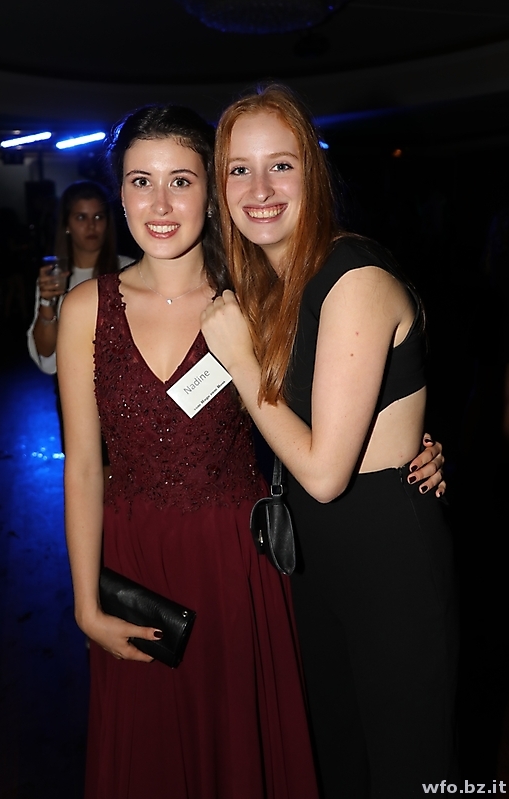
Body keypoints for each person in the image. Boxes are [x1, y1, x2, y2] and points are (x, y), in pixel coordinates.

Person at [56, 105, 324, 799]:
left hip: (235, 564)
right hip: (134, 560)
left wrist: (418, 446)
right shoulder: (86, 309)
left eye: (181, 180)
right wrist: (84, 604)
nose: (160, 203)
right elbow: (82, 466)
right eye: (140, 181)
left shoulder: (255, 301)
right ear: (119, 194)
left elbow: (325, 425)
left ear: (211, 191)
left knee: (237, 750)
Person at [201, 84, 457, 798]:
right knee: (338, 766)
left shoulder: (354, 277)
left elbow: (322, 473)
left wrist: (241, 362)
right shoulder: (266, 288)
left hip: (384, 554)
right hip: (312, 557)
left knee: (409, 774)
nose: (259, 190)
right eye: (239, 169)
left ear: (312, 175)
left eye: (280, 166)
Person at [27, 179, 131, 375]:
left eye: (98, 217)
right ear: (67, 224)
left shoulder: (128, 270)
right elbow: (46, 355)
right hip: (71, 384)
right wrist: (47, 302)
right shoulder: (54, 276)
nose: (91, 226)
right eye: (81, 217)